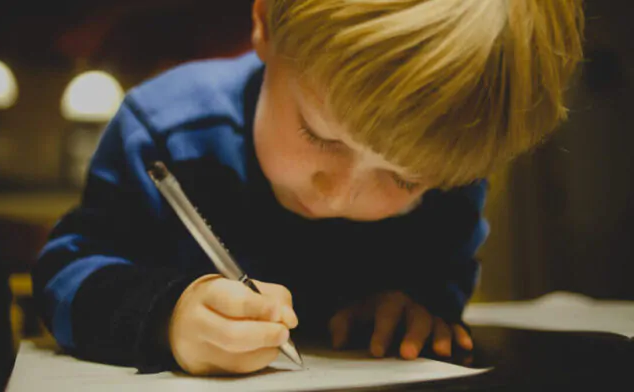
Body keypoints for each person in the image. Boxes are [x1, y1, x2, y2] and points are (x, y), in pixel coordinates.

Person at [33, 0, 584, 376]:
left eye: (405, 178)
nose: (339, 193)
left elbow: (441, 278)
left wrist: (420, 307)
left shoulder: (451, 160)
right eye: (318, 134)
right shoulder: (164, 132)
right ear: (267, 24)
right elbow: (63, 274)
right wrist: (166, 317)